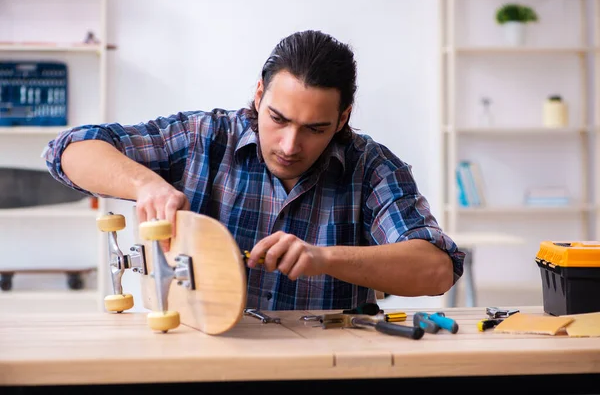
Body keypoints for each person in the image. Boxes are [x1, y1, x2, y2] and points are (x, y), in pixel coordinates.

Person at [42, 29, 465, 311]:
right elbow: (67, 150)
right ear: (259, 94)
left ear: (342, 118)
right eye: (278, 119)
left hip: (327, 368)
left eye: (315, 129)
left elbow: (437, 269)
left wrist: (324, 258)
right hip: (202, 355)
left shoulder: (370, 167)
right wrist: (145, 184)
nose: (289, 145)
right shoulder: (203, 136)